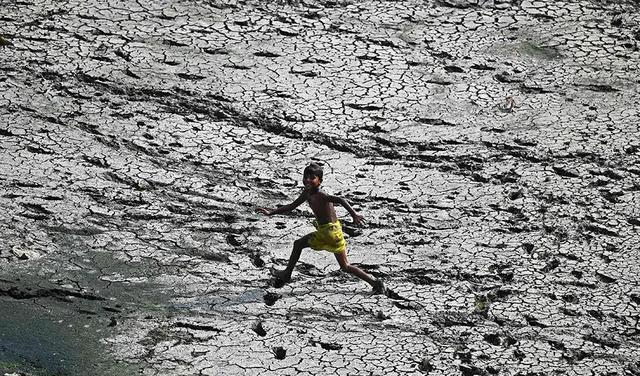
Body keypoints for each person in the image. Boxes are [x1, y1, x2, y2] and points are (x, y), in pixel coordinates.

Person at [257, 163, 385, 294]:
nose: (307, 180)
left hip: (328, 232)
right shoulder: (307, 193)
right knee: (345, 266)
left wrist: (354, 215)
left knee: (298, 244)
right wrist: (271, 212)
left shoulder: (321, 195)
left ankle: (286, 274)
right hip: (336, 233)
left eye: (312, 177)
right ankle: (374, 283)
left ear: (319, 181)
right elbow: (291, 206)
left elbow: (340, 199)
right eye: (305, 177)